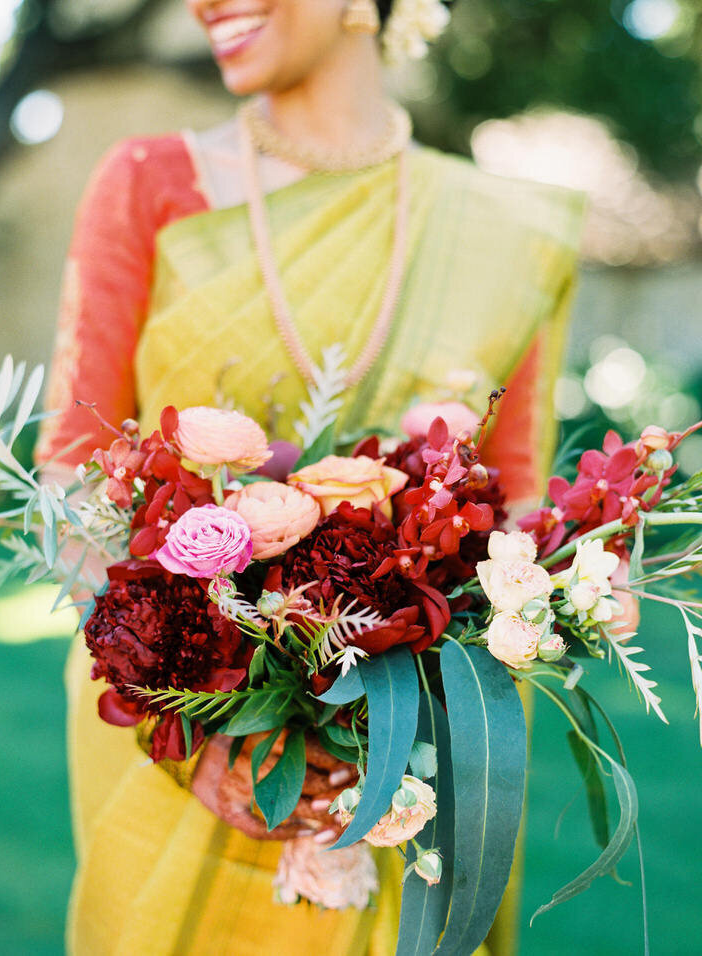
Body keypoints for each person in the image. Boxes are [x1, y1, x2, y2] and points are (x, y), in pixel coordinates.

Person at [37, 0, 586, 952]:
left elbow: (517, 520)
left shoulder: (501, 236)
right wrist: (206, 740)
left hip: (405, 769)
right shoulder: (148, 183)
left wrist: (394, 734)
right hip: (180, 752)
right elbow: (73, 477)